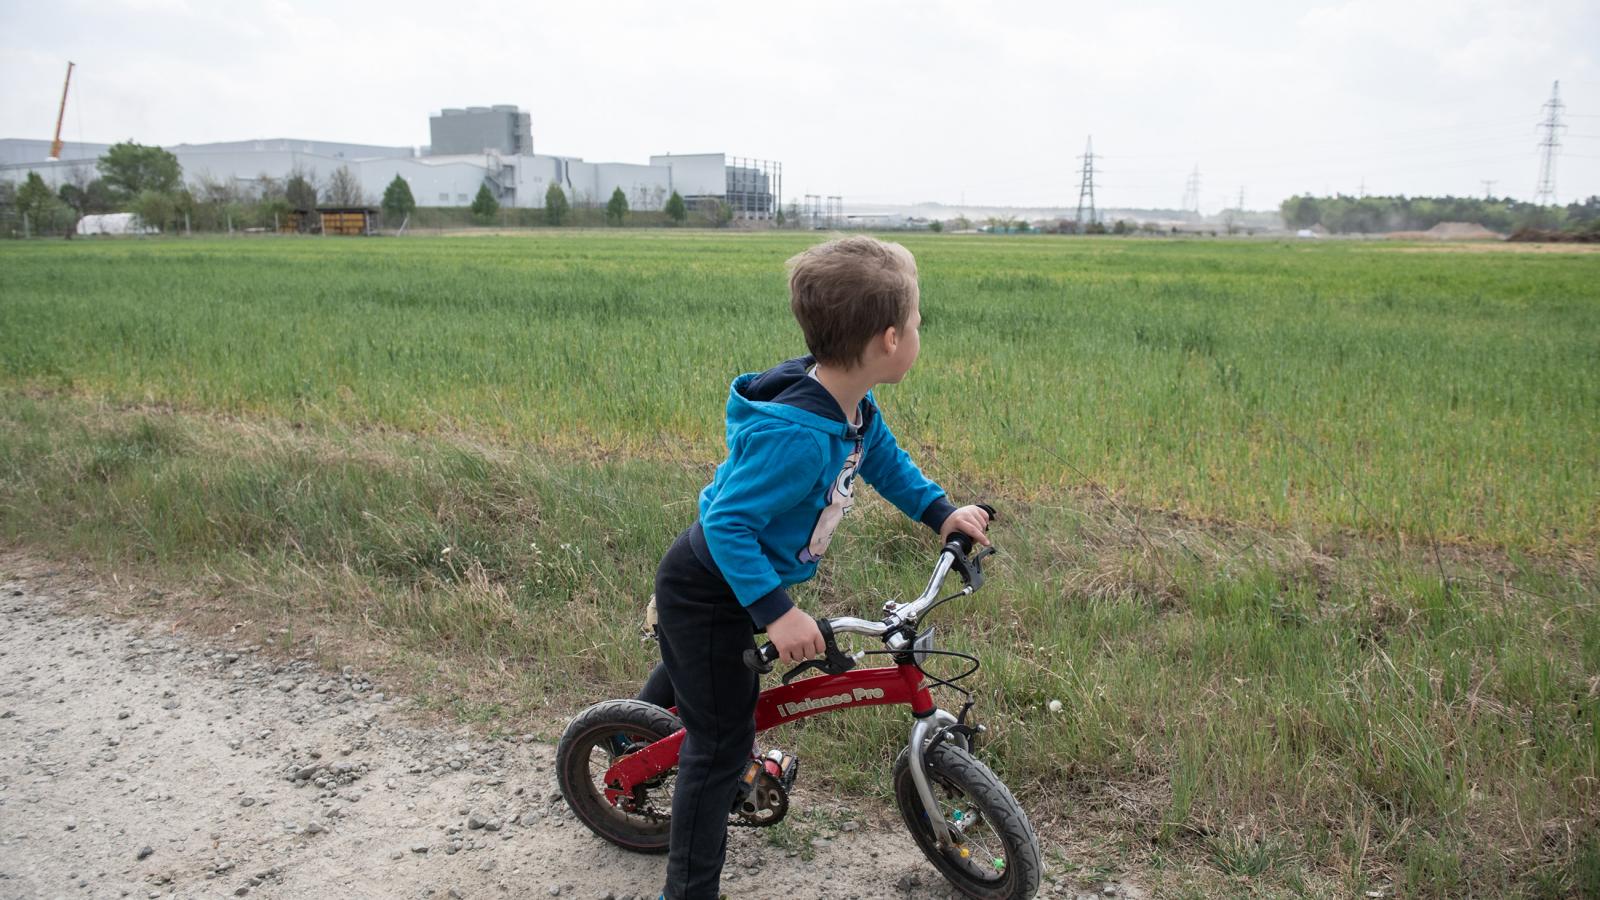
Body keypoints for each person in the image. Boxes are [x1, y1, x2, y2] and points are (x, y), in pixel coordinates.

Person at [633, 235, 991, 900]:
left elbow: (881, 458)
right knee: (719, 745)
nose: (919, 334)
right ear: (888, 340)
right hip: (710, 587)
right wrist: (777, 610)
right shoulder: (798, 436)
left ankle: (633, 726)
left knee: (705, 678)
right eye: (916, 323)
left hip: (737, 580)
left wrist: (940, 511)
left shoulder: (847, 407)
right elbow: (728, 523)